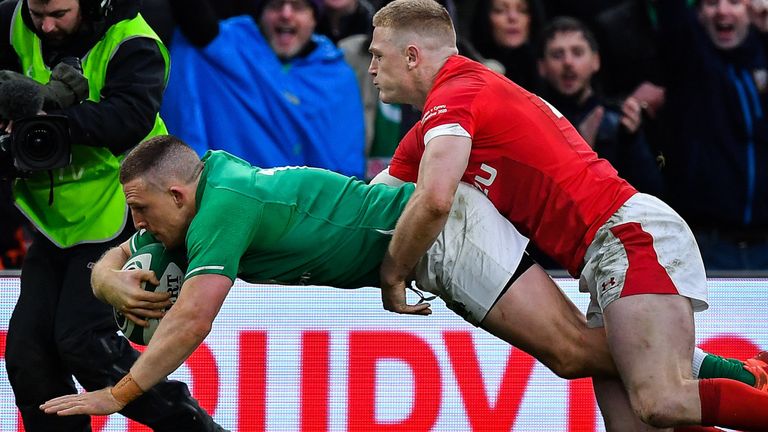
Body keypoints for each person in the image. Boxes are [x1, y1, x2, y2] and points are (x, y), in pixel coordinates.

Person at [36, 137, 767, 430]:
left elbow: (193, 319)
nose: (137, 222)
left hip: (438, 234)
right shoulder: (200, 193)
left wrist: (120, 393)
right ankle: (740, 375)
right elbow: (112, 255)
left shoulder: (222, 208)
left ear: (174, 195)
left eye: (141, 209)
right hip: (428, 239)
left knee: (577, 354)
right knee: (586, 352)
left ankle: (744, 379)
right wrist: (108, 284)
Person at [367, 0, 768, 430]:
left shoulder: (458, 93)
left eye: (377, 55)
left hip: (628, 235)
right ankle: (747, 375)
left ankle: (749, 377)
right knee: (637, 422)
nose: (371, 68)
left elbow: (434, 200)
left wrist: (394, 274)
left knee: (661, 401)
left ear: (411, 56)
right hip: (603, 257)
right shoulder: (433, 123)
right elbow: (368, 205)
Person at [0, 0, 223, 430]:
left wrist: (46, 113)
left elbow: (130, 119)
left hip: (125, 206)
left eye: (60, 14)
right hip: (56, 220)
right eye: (37, 12)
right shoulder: (10, 21)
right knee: (28, 354)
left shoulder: (134, 38)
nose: (45, 26)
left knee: (83, 342)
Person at [159, 0, 366, 178]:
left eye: (298, 6)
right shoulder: (229, 49)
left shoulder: (337, 77)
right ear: (261, 15)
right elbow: (192, 14)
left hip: (305, 213)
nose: (286, 14)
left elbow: (346, 166)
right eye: (276, 5)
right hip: (234, 206)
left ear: (314, 18)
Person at [655, 0, 768, 270]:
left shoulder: (761, 58)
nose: (722, 11)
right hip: (708, 247)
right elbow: (673, 17)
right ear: (697, 13)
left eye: (734, 2)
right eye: (711, 3)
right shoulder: (691, 63)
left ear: (751, 11)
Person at [536, 16, 665, 197]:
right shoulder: (535, 121)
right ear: (542, 67)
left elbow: (652, 193)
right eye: (557, 55)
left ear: (595, 61)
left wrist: (632, 138)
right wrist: (581, 152)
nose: (568, 62)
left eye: (577, 52)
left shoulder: (619, 118)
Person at [467, 0, 547, 92]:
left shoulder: (548, 71)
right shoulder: (468, 73)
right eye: (500, 10)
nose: (513, 17)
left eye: (522, 10)